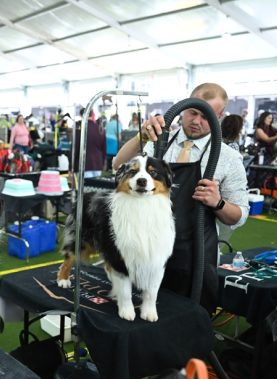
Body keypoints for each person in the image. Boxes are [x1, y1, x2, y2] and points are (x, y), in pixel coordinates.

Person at [113, 82, 249, 311]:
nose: (196, 121)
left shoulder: (228, 159)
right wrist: (142, 137)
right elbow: (118, 165)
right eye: (192, 112)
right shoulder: (158, 143)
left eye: (205, 116)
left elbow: (239, 216)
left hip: (194, 257)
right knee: (142, 319)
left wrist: (218, 203)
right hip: (147, 251)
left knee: (187, 323)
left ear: (219, 116)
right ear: (184, 107)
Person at [73, 108, 105, 178]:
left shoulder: (80, 130)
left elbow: (75, 148)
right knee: (97, 188)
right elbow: (104, 149)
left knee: (85, 187)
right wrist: (102, 164)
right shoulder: (100, 129)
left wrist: (72, 167)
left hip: (84, 164)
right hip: (98, 164)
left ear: (82, 116)